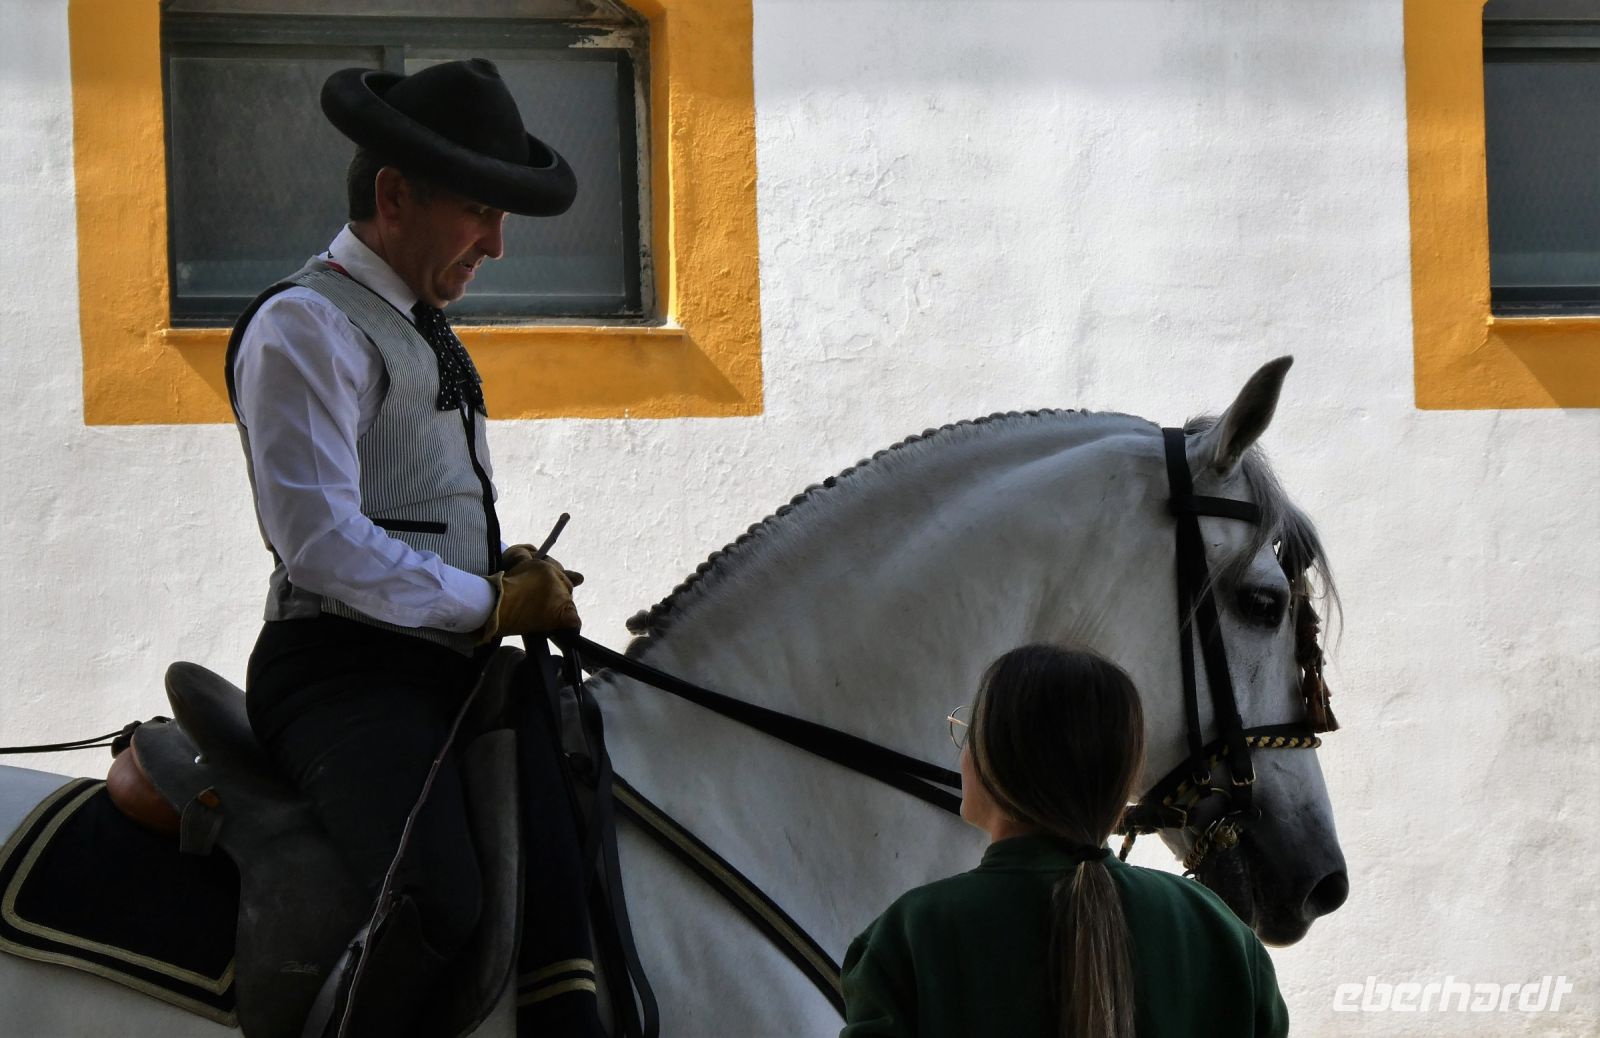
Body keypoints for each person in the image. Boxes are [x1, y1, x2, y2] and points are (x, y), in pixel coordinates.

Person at [226, 59, 600, 1037]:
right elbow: (320, 544)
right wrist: (489, 603)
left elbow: (405, 509)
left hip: (438, 671)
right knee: (438, 898)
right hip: (341, 676)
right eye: (482, 210)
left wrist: (500, 570)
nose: (499, 246)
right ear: (395, 195)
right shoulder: (304, 325)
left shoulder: (417, 325)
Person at [840, 644, 1290, 1038]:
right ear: (1120, 778)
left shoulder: (911, 936)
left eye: (968, 736)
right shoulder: (1222, 937)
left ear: (994, 760)